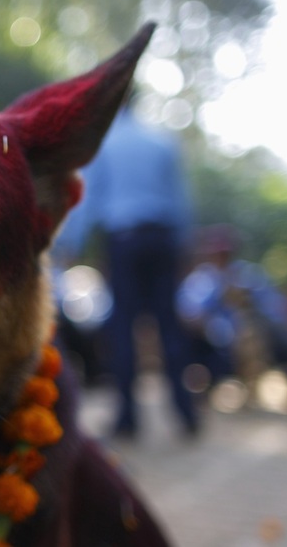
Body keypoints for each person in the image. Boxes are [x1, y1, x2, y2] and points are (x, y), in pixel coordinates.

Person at [56, 106, 198, 439]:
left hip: (123, 241)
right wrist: (186, 244)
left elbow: (87, 197)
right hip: (162, 239)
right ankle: (187, 415)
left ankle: (127, 420)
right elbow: (181, 199)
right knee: (169, 326)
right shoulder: (162, 141)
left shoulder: (105, 143)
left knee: (122, 329)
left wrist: (70, 242)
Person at [177, 224, 287, 413]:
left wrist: (248, 304)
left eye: (225, 252)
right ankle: (202, 392)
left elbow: (278, 310)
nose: (221, 258)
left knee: (272, 339)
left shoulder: (250, 276)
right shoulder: (199, 281)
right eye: (217, 253)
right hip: (214, 348)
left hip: (259, 341)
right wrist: (219, 300)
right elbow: (189, 315)